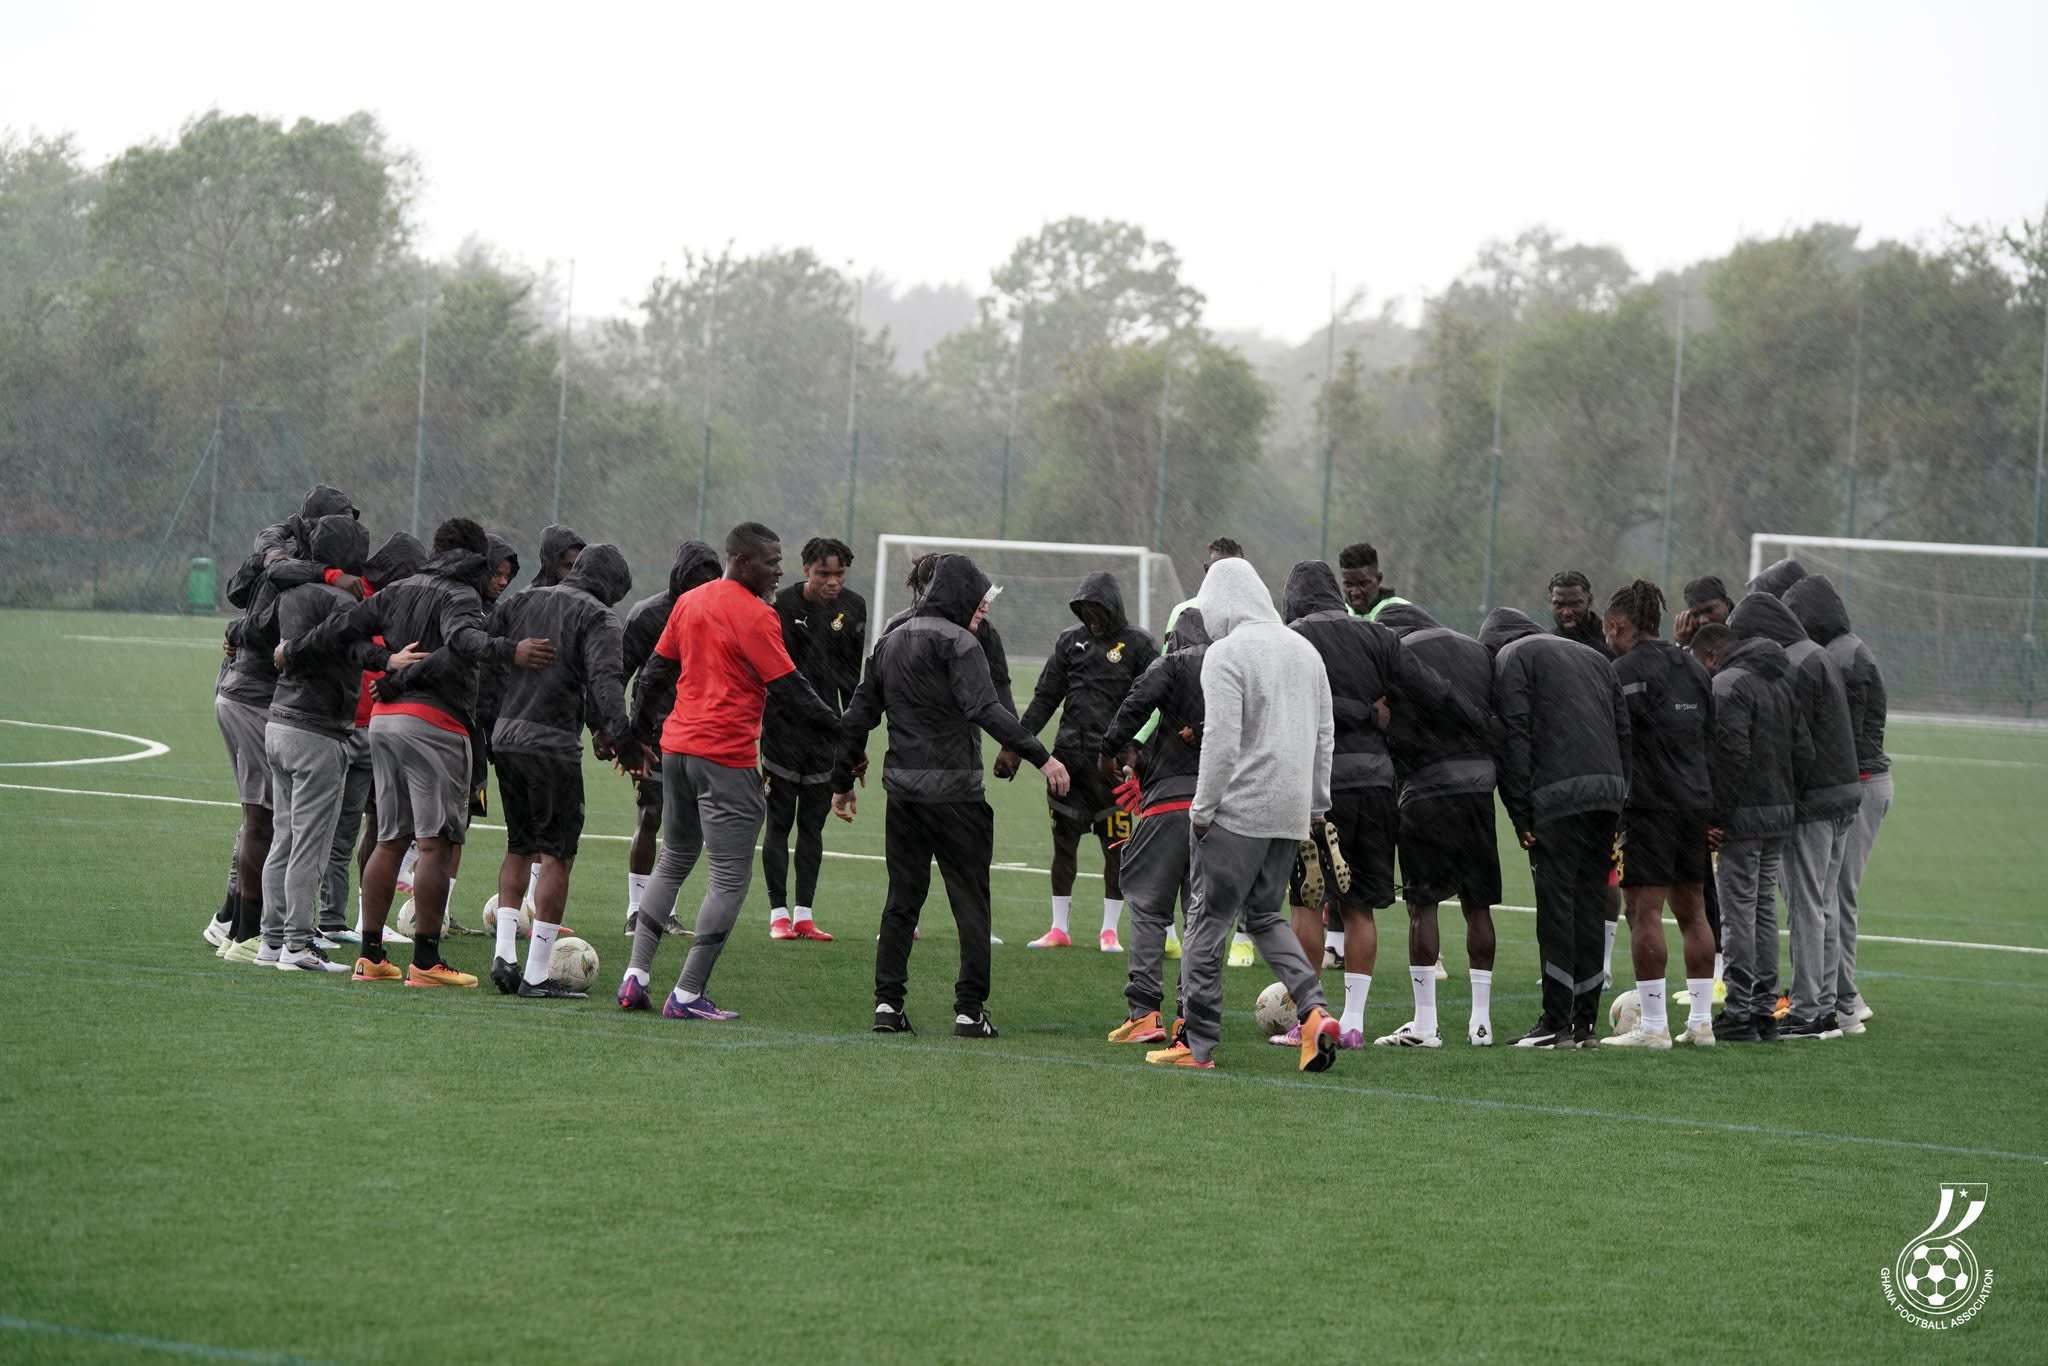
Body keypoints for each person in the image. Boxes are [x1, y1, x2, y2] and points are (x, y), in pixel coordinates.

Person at [281, 517, 555, 987]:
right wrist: (511, 650)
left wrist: (294, 652)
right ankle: (426, 962)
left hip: (384, 721)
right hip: (435, 724)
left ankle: (370, 957)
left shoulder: (397, 590)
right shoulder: (461, 595)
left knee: (389, 838)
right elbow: (462, 642)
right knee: (435, 844)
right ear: (475, 557)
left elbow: (340, 630)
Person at [832, 554, 1069, 1037]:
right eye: (980, 601)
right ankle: (969, 1012)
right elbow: (985, 708)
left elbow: (857, 716)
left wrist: (841, 782)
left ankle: (887, 1007)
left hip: (904, 797)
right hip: (958, 797)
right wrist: (1042, 757)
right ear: (959, 596)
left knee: (901, 902)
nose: (984, 610)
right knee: (970, 903)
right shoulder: (961, 643)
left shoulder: (890, 639)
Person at [616, 523, 841, 1021]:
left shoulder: (689, 602)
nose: (778, 570)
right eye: (771, 561)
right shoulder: (757, 615)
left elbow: (654, 673)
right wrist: (842, 732)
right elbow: (791, 688)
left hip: (676, 750)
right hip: (725, 757)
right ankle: (687, 994)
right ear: (741, 561)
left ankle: (635, 977)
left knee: (673, 859)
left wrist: (636, 736)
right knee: (729, 879)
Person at [1149, 556, 1340, 1073]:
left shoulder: (1227, 653)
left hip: (1238, 809)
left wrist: (1203, 808)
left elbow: (1221, 739)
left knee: (1206, 923)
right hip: (1291, 809)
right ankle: (1314, 1011)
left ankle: (1197, 1045)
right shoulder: (1306, 652)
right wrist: (1316, 804)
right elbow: (1325, 735)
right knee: (1264, 916)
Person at [1280, 560, 1478, 1050]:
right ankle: (1353, 1023)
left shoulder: (1291, 639)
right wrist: (1478, 724)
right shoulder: (1376, 636)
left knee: (1306, 902)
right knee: (1359, 905)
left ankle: (1309, 1017)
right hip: (1374, 782)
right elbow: (1432, 690)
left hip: (1314, 784)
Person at [485, 544, 644, 999]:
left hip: (506, 736)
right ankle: (537, 975)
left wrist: (493, 722)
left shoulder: (520, 600)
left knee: (519, 845)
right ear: (610, 586)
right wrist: (622, 740)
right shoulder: (598, 616)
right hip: (551, 745)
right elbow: (605, 682)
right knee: (557, 854)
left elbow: (489, 660)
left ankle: (504, 955)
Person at [1479, 606, 1629, 1049]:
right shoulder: (1595, 657)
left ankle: (1555, 1023)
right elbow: (1624, 731)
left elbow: (1515, 735)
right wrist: (1621, 796)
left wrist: (1520, 813)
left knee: (1557, 906)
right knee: (1590, 903)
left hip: (1557, 798)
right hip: (1607, 793)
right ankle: (1585, 1026)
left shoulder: (1513, 658)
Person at [1728, 591, 1861, 1039]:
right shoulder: (1817, 654)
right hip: (1842, 795)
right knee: (1822, 904)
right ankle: (1827, 1006)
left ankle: (1807, 1009)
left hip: (1814, 801)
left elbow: (1792, 739)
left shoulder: (1795, 663)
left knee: (1805, 907)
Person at [1374, 603, 1503, 1046]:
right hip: (1479, 788)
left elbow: (1385, 718)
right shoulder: (1475, 651)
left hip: (1426, 789)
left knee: (1423, 904)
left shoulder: (1397, 651)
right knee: (1478, 904)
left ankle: (1425, 1023)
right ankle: (1481, 1023)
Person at [1007, 573, 1158, 952]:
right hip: (1067, 765)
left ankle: (1109, 931)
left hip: (1112, 768)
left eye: (1097, 609)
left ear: (1113, 607)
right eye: (1085, 610)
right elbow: (1045, 697)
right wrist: (1015, 746)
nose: (1091, 617)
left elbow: (1157, 701)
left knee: (1116, 847)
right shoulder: (1069, 642)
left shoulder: (1139, 645)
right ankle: (1059, 928)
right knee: (1063, 846)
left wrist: (1139, 752)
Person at [1600, 581, 1718, 1048]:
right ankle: (1701, 1024)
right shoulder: (1694, 667)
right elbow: (1710, 737)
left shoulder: (1621, 671)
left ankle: (1652, 1027)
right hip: (1694, 803)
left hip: (1647, 807)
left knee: (1642, 911)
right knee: (1694, 911)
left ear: (1616, 625)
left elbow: (1612, 740)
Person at [259, 513, 378, 973]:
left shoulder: (290, 591)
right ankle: (297, 945)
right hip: (318, 730)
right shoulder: (342, 601)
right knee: (310, 844)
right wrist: (389, 660)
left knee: (284, 839)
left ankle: (271, 941)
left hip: (279, 722)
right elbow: (352, 648)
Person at [1097, 608, 1209, 1043]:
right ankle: (1191, 1018)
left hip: (1168, 805)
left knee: (1147, 906)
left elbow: (1136, 703)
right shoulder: (1228, 666)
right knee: (1201, 915)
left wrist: (1111, 748)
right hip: (1217, 810)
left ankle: (1144, 1013)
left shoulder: (1173, 662)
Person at [1784, 573, 1889, 1034]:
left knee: (1834, 896)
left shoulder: (1840, 658)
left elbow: (1835, 733)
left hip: (1857, 783)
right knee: (1831, 895)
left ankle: (1843, 999)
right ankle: (1835, 996)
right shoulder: (1845, 650)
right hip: (1859, 783)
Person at [1688, 622, 1800, 1043]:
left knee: (1737, 914)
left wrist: (1716, 817)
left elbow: (1732, 754)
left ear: (1711, 655)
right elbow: (1801, 748)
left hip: (1744, 817)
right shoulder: (1779, 681)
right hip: (1778, 811)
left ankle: (1738, 1011)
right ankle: (1764, 1008)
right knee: (1763, 909)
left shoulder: (1728, 684)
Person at [762, 536, 867, 941]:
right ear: (806, 569)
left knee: (812, 826)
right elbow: (775, 677)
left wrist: (853, 746)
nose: (833, 582)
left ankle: (804, 916)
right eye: (824, 573)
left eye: (840, 574)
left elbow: (851, 684)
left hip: (828, 736)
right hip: (782, 731)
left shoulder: (853, 608)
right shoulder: (781, 607)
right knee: (779, 823)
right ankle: (778, 915)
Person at [325, 531, 427, 947]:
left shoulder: (395, 604)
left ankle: (352, 919)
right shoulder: (353, 599)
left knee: (370, 825)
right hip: (338, 728)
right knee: (320, 830)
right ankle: (295, 926)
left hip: (377, 732)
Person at [619, 540, 723, 935]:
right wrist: (621, 733)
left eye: (711, 581)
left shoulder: (717, 615)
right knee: (651, 814)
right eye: (696, 579)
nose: (703, 587)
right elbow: (620, 672)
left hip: (700, 734)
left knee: (685, 826)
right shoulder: (648, 615)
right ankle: (636, 910)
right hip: (652, 735)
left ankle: (665, 911)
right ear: (679, 577)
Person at [1337, 542, 1410, 620]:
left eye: (1363, 584)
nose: (1355, 592)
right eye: (1348, 585)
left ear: (1379, 579)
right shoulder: (1338, 615)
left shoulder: (1404, 611)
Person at [1548, 570, 1610, 658]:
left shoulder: (1612, 640)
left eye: (1574, 604)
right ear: (1550, 602)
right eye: (1559, 605)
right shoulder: (1546, 644)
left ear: (1589, 601)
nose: (1566, 612)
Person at [1673, 575, 1734, 648]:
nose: (1702, 620)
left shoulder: (1743, 632)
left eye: (1709, 610)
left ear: (1726, 603)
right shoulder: (1692, 641)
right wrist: (1682, 644)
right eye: (1695, 615)